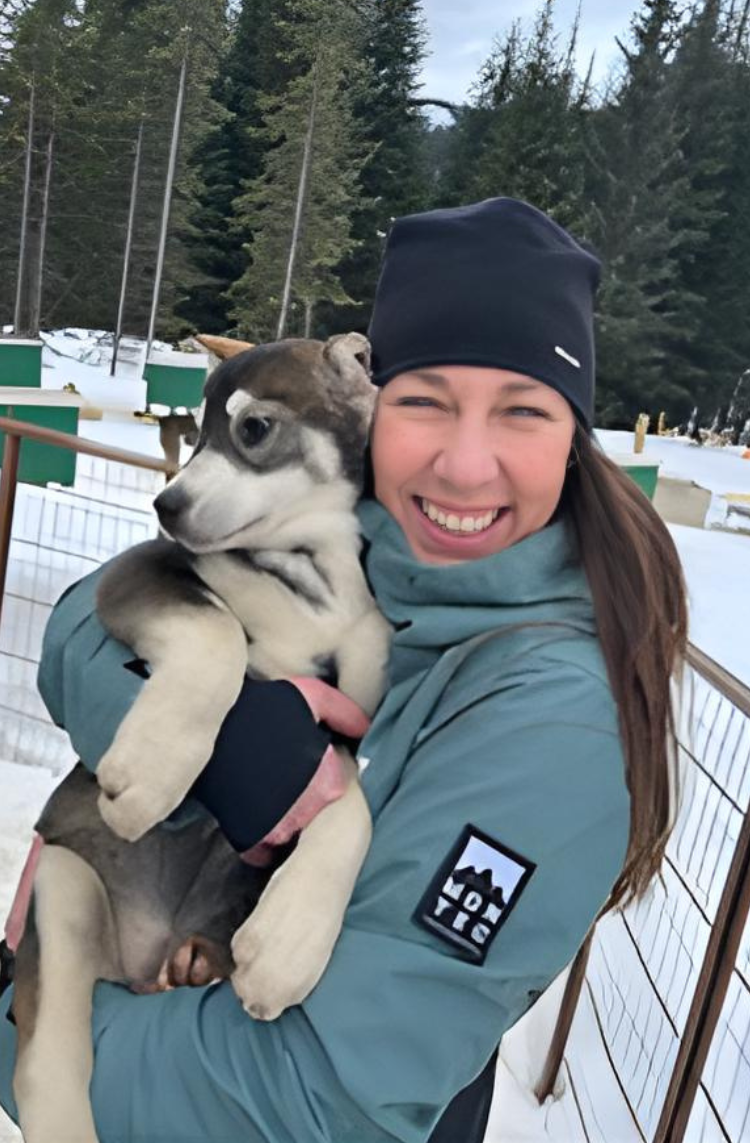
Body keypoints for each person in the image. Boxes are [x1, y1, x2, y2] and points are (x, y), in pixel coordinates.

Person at [0, 197, 687, 1143]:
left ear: (574, 437)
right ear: (373, 405)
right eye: (426, 401)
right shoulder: (379, 557)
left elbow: (326, 1104)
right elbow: (95, 615)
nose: (465, 461)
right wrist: (200, 699)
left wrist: (33, 1035)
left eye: (523, 410)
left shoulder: (553, 724)